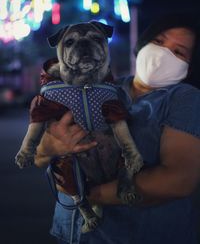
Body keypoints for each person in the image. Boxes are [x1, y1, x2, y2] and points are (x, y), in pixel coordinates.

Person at [35, 13, 200, 244]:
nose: (162, 54)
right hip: (72, 233)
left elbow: (178, 180)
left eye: (179, 52)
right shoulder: (99, 89)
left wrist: (89, 196)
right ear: (143, 43)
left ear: (190, 68)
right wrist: (50, 146)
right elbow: (41, 156)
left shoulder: (185, 99)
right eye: (159, 42)